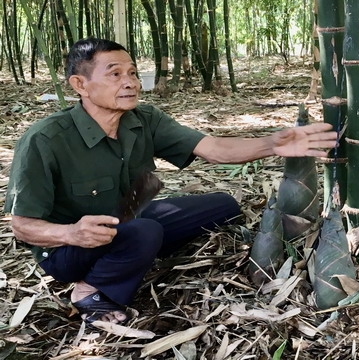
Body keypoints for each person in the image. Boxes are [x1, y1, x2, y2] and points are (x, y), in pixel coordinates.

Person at [4, 38, 337, 325]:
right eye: (115, 74)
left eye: (133, 73)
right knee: (146, 232)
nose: (131, 82)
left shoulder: (144, 119)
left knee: (223, 206)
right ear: (80, 85)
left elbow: (215, 149)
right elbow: (22, 225)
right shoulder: (45, 140)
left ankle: (135, 249)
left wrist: (273, 143)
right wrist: (70, 233)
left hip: (125, 222)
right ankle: (91, 289)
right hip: (68, 248)